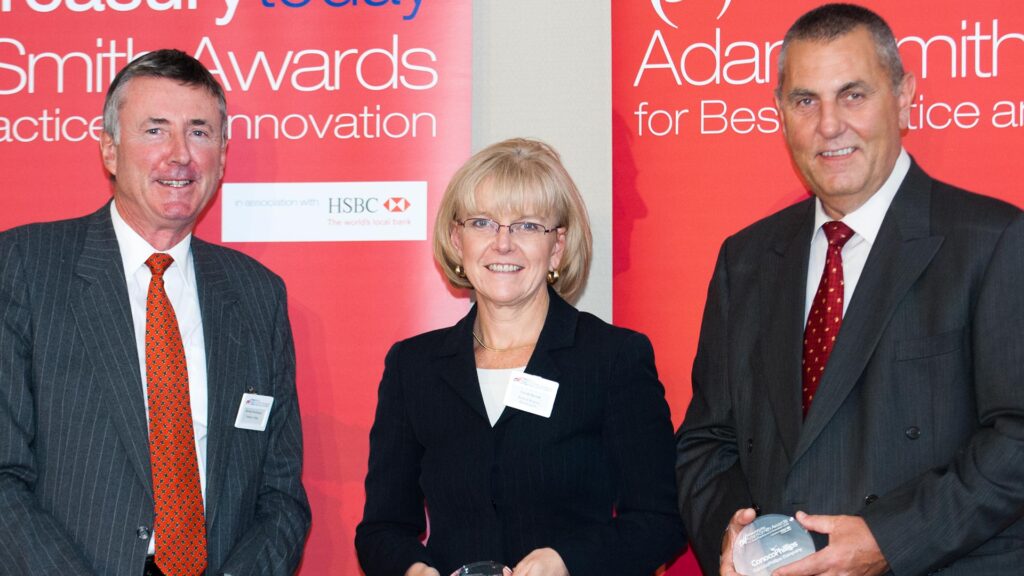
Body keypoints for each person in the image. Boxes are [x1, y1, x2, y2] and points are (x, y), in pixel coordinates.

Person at [675, 4, 1024, 575]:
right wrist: (734, 539)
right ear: (780, 112)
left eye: (853, 95)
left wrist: (891, 541)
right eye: (805, 101)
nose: (829, 125)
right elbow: (708, 441)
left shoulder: (993, 241)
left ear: (904, 98)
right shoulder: (747, 259)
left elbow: (1017, 439)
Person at [0, 50, 311, 575]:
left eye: (199, 132)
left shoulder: (258, 295)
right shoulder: (24, 268)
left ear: (222, 156)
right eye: (155, 130)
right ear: (110, 149)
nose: (179, 155)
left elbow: (280, 496)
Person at [355, 138, 685, 576]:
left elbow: (659, 522)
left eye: (527, 226)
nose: (503, 244)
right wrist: (415, 570)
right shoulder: (413, 366)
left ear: (558, 247)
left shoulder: (613, 358)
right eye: (482, 223)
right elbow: (382, 529)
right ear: (456, 239)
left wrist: (566, 561)